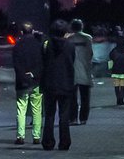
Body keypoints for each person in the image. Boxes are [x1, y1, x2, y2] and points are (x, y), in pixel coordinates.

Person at [41, 19, 75, 151]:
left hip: (49, 83)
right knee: (64, 115)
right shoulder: (70, 46)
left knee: (49, 115)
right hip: (66, 83)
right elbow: (72, 61)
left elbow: (43, 62)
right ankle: (64, 142)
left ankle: (48, 142)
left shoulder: (46, 45)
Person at [12, 23, 44, 145]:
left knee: (21, 109)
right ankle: (36, 136)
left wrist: (24, 76)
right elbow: (42, 63)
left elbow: (16, 64)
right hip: (36, 81)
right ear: (32, 31)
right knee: (37, 109)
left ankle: (20, 136)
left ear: (21, 32)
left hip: (22, 82)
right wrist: (34, 74)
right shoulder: (38, 45)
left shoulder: (17, 46)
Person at [66, 18, 93, 125]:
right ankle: (83, 118)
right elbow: (90, 54)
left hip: (71, 72)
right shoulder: (88, 38)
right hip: (85, 71)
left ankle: (73, 118)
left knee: (72, 98)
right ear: (82, 27)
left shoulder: (68, 39)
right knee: (85, 97)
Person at [107, 34, 124, 105]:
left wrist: (110, 69)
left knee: (116, 85)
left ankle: (118, 99)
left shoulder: (114, 51)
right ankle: (122, 99)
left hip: (115, 69)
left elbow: (110, 59)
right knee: (123, 85)